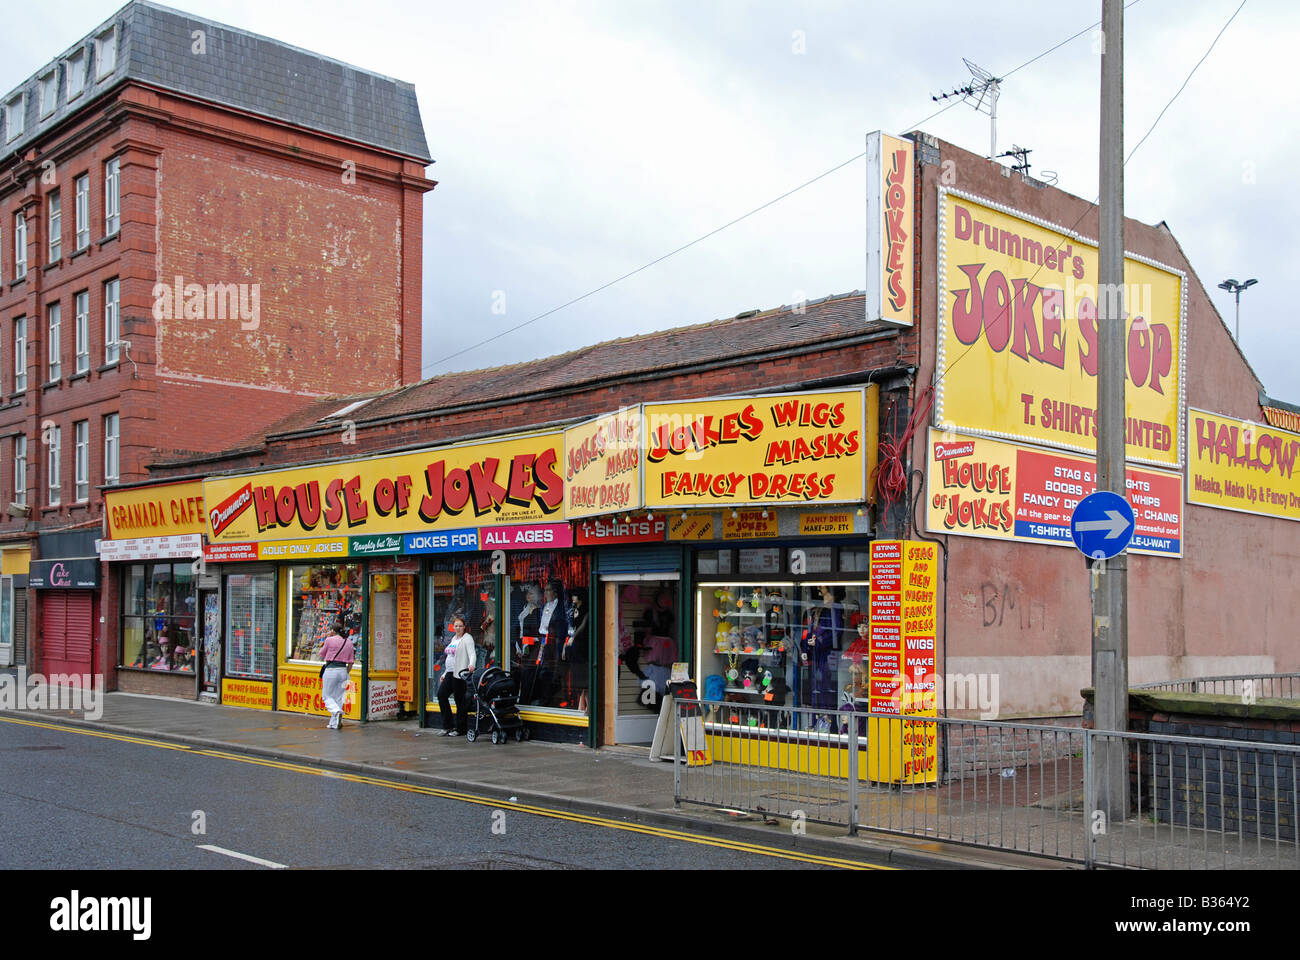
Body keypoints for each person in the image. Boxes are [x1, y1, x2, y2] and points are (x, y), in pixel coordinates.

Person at [438, 616, 477, 736]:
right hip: (450, 673)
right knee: (441, 695)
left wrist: (471, 665)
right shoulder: (454, 638)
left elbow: (472, 653)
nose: (458, 628)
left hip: (460, 674)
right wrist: (444, 673)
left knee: (459, 701)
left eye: (460, 626)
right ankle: (447, 725)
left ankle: (461, 729)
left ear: (464, 627)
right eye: (456, 626)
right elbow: (450, 658)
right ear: (453, 627)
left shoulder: (467, 638)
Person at [318, 617, 355, 730]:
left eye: (330, 630)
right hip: (343, 671)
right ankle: (334, 723)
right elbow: (351, 661)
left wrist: (327, 640)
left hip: (331, 670)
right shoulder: (349, 642)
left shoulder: (330, 640)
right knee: (338, 697)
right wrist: (347, 673)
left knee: (327, 696)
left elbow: (321, 654)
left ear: (333, 631)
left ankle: (336, 711)